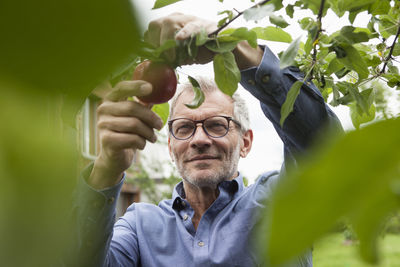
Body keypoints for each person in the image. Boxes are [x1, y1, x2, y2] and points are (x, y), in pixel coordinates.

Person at [69, 13, 342, 267]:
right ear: (171, 146)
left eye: (216, 125)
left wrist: (234, 46)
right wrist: (107, 167)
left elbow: (327, 149)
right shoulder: (139, 227)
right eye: (185, 128)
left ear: (245, 142)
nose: (199, 139)